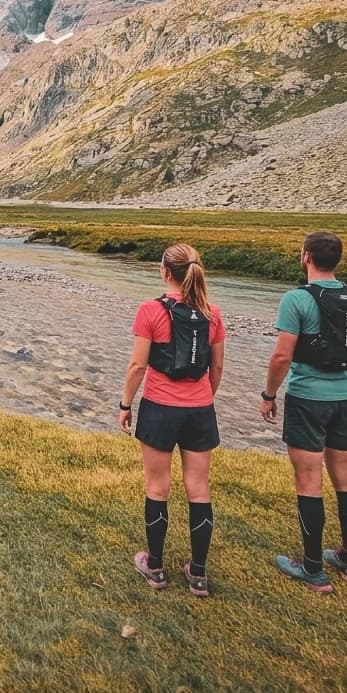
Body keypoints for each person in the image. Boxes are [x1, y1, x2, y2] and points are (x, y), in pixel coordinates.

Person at [262, 230, 347, 593]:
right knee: (345, 477)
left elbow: (282, 356)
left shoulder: (296, 299)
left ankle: (312, 567)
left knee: (309, 480)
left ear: (306, 257)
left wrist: (269, 394)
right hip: (346, 398)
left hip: (307, 398)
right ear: (337, 260)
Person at [119, 243, 226, 597]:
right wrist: (204, 397)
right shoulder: (212, 314)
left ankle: (155, 566)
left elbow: (138, 365)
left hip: (160, 408)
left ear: (165, 272)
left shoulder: (150, 310)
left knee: (157, 487)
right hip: (200, 410)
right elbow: (217, 366)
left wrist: (125, 404)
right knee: (199, 487)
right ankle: (198, 573)